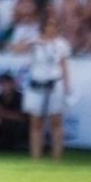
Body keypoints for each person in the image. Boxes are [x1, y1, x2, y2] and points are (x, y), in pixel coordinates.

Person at [18, 15, 72, 160]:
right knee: (36, 122)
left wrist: (67, 85)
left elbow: (64, 65)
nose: (51, 29)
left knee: (56, 121)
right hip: (37, 83)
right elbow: (18, 49)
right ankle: (35, 156)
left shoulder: (61, 44)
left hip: (54, 83)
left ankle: (57, 156)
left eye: (54, 26)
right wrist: (29, 40)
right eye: (48, 25)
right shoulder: (35, 43)